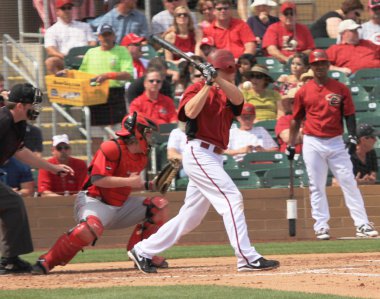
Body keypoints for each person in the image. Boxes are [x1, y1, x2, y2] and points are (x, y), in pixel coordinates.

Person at [128, 49, 280, 274]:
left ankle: (143, 250)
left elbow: (238, 100)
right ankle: (246, 257)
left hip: (214, 156)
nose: (232, 73)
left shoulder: (229, 91)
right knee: (232, 198)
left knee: (191, 217)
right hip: (199, 152)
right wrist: (207, 84)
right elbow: (189, 112)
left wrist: (216, 78)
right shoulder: (196, 88)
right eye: (228, 69)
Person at [31, 113, 170, 274]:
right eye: (147, 132)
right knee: (87, 230)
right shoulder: (111, 147)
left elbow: (125, 183)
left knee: (159, 206)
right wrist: (129, 182)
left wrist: (149, 185)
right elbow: (98, 179)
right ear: (137, 132)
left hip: (120, 204)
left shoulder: (141, 156)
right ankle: (46, 261)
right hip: (95, 201)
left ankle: (141, 252)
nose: (150, 137)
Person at [287, 49, 378, 240]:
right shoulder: (303, 91)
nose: (320, 66)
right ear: (311, 67)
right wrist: (291, 143)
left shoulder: (340, 88)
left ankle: (361, 224)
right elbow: (296, 119)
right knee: (316, 185)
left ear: (328, 65)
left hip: (336, 141)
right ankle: (321, 226)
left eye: (323, 63)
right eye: (316, 64)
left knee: (349, 182)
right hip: (312, 140)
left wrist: (352, 135)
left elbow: (349, 114)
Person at [0, 83, 73, 275]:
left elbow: (20, 151)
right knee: (12, 203)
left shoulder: (19, 124)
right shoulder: (3, 119)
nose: (36, 108)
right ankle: (9, 260)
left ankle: (10, 260)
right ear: (20, 106)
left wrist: (53, 168)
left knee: (13, 204)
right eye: (33, 104)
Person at [78, 24, 133, 151]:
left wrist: (108, 76)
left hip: (114, 95)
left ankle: (117, 164)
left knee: (117, 136)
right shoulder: (91, 53)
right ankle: (97, 166)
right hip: (94, 96)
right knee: (95, 137)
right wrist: (67, 73)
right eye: (103, 35)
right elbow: (82, 74)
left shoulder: (122, 51)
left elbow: (127, 74)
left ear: (114, 36)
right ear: (98, 37)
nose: (106, 38)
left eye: (109, 35)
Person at [44, 0, 97, 75]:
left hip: (85, 58)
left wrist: (87, 55)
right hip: (65, 60)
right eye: (63, 8)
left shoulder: (84, 26)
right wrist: (65, 56)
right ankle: (58, 84)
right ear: (57, 12)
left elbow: (93, 42)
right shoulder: (52, 30)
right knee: (50, 62)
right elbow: (50, 49)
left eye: (69, 8)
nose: (67, 11)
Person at [275, 88, 303, 154]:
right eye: (293, 102)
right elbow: (288, 138)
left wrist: (299, 133)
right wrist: (310, 132)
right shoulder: (284, 119)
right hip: (290, 158)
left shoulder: (313, 118)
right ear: (289, 105)